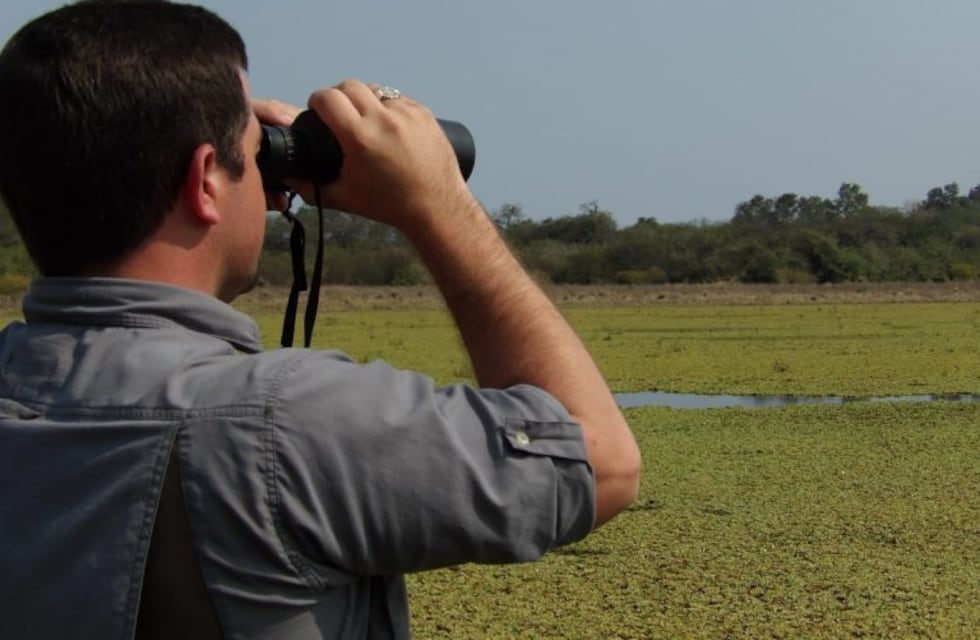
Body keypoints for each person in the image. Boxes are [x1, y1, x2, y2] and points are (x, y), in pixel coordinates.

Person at [0, 1, 641, 638]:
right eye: (254, 153)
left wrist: (228, 151)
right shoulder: (285, 425)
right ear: (204, 180)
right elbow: (598, 460)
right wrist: (436, 203)